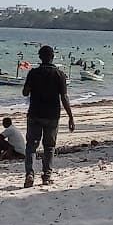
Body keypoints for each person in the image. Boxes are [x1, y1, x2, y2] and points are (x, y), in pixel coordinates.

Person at [21, 45, 74, 187]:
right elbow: (64, 97)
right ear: (53, 57)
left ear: (40, 57)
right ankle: (46, 176)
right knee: (49, 147)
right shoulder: (59, 74)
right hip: (52, 115)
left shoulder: (33, 73)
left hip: (35, 114)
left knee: (31, 146)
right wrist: (70, 116)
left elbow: (25, 93)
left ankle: (30, 174)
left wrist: (31, 86)